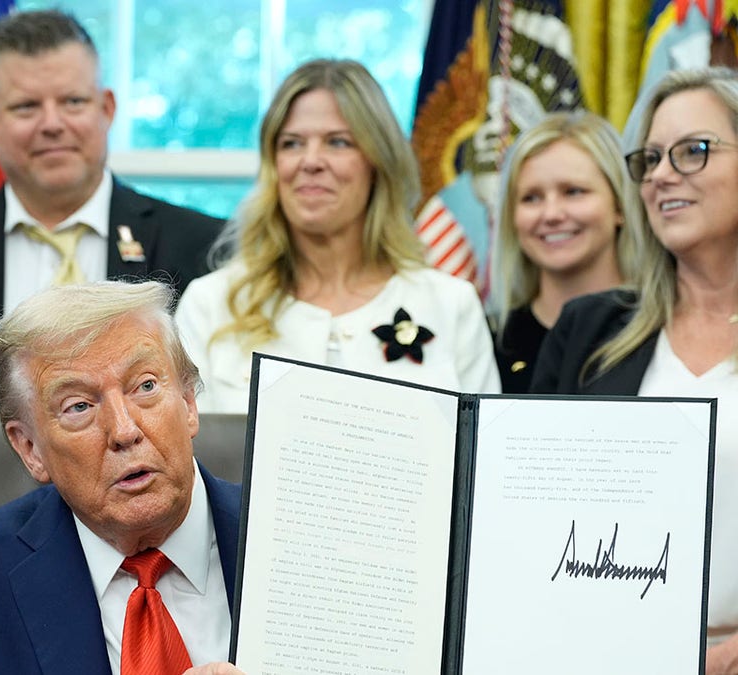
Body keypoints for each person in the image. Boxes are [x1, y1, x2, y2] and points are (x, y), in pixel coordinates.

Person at [0, 280, 244, 675]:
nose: (124, 431)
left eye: (145, 386)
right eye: (79, 406)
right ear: (30, 449)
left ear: (188, 403)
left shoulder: (296, 537)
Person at [530, 67, 738, 672]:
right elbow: (529, 518)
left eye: (693, 151)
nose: (661, 175)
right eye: (649, 159)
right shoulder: (587, 330)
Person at [175, 59, 500, 413]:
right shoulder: (212, 304)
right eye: (292, 143)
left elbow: (481, 447)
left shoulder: (451, 305)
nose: (311, 161)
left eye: (338, 142)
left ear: (378, 163)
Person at [0, 9, 225, 366]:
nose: (52, 124)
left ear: (106, 109)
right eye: (26, 106)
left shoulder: (204, 248)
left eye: (73, 101)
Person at [488, 111, 643, 393]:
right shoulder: (485, 341)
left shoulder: (664, 331)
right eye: (531, 198)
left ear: (620, 205)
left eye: (573, 191)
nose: (551, 214)